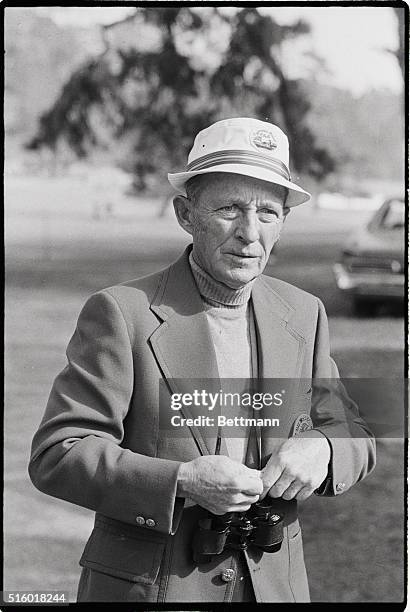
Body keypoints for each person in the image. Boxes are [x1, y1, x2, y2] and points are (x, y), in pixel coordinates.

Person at [29, 117, 376, 603]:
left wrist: (324, 447)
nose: (249, 233)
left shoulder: (304, 312)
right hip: (153, 590)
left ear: (284, 222)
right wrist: (182, 481)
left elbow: (356, 429)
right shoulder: (120, 313)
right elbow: (58, 454)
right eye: (230, 209)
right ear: (185, 214)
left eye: (267, 212)